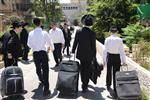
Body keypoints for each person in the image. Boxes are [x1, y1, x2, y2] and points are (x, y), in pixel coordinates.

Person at [27, 18, 54, 96]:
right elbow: (50, 42)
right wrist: (51, 49)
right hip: (43, 52)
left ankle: (41, 79)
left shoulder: (30, 33)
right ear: (40, 23)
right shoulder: (44, 33)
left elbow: (29, 44)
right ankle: (46, 89)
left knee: (38, 68)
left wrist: (34, 47)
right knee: (45, 70)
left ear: (33, 23)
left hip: (35, 53)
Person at [72, 14, 96, 93]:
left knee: (82, 68)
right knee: (87, 69)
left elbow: (75, 42)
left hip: (81, 54)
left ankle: (83, 83)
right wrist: (94, 56)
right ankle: (85, 84)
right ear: (91, 24)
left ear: (84, 23)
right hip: (89, 55)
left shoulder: (79, 31)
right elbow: (93, 46)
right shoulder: (92, 33)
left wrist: (73, 51)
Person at [103, 25, 126, 95]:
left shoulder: (107, 39)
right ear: (117, 32)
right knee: (116, 73)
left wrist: (104, 60)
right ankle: (116, 89)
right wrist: (124, 61)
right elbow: (122, 51)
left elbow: (105, 50)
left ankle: (108, 85)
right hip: (117, 57)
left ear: (110, 32)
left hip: (110, 56)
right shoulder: (120, 40)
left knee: (109, 71)